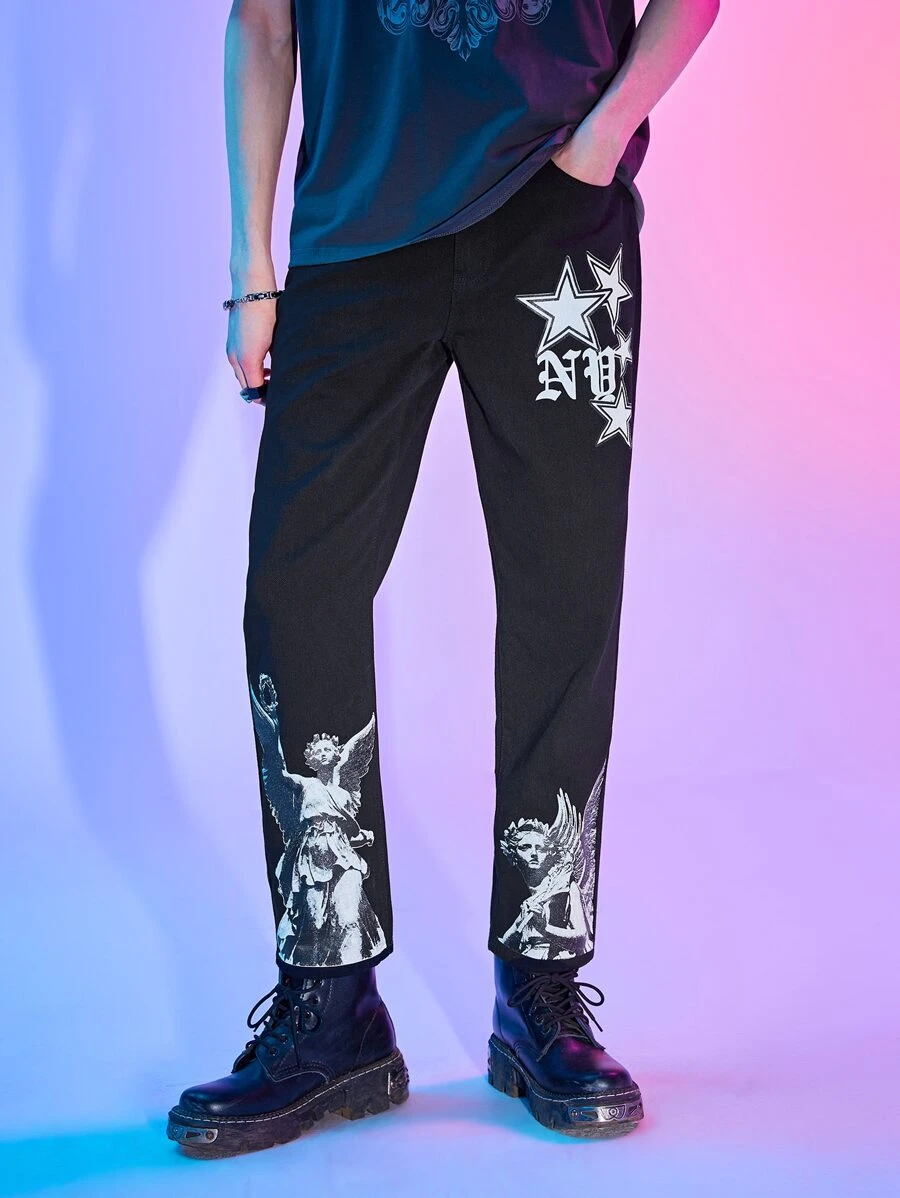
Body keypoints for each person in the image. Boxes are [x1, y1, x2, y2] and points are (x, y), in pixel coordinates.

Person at [167, 0, 720, 1157]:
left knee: (564, 591)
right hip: (353, 237)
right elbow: (263, 24)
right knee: (297, 595)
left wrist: (601, 137)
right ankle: (332, 1006)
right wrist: (252, 264)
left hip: (555, 222)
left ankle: (540, 985)